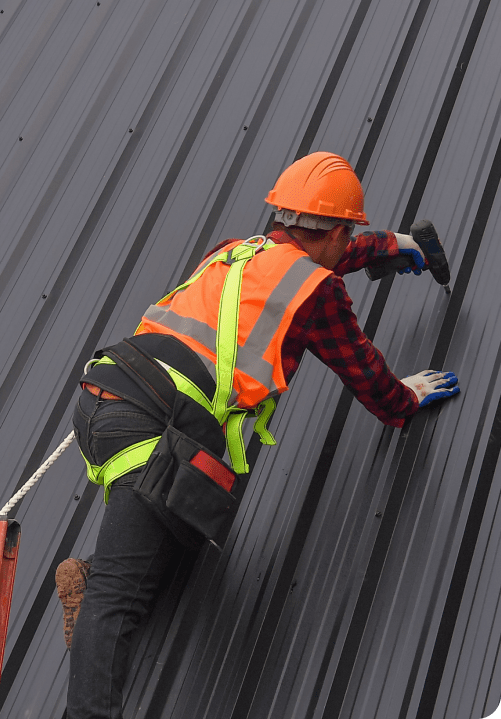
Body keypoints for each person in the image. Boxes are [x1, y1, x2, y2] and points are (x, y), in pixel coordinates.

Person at [55, 152, 460, 719]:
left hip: (106, 401)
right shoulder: (315, 290)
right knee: (117, 602)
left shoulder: (235, 253)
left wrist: (403, 246)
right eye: (348, 233)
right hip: (147, 424)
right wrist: (407, 398)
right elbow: (365, 374)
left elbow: (319, 263)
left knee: (191, 522)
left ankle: (93, 572)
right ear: (336, 230)